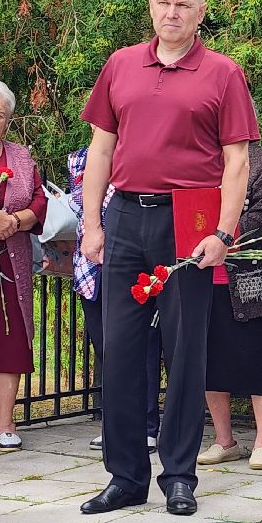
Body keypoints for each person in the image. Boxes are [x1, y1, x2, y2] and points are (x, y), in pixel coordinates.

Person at [79, 0, 259, 516]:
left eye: (183, 5)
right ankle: (125, 477)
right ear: (151, 6)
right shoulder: (121, 65)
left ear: (201, 12)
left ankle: (179, 476)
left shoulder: (223, 73)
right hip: (125, 217)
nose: (171, 13)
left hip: (189, 222)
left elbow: (237, 162)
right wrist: (92, 224)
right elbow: (101, 150)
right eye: (163, 3)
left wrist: (224, 232)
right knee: (119, 349)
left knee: (185, 353)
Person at [67, 145, 162, 454]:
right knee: (108, 350)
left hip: (130, 262)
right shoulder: (80, 159)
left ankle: (146, 427)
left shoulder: (135, 154)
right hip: (90, 266)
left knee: (143, 348)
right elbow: (80, 206)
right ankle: (115, 426)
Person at [197, 141, 262, 470]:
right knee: (211, 361)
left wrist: (220, 233)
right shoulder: (200, 159)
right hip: (204, 278)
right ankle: (224, 440)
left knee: (257, 358)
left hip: (251, 281)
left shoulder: (261, 162)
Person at [0, 81, 47, 451]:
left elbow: (39, 199)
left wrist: (15, 220)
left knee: (10, 339)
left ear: (9, 120)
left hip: (11, 261)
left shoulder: (20, 156)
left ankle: (5, 422)